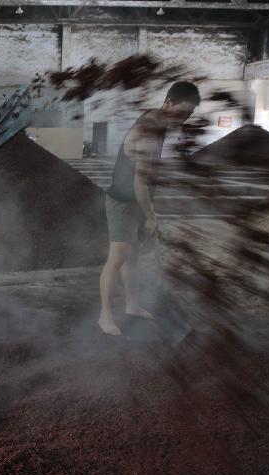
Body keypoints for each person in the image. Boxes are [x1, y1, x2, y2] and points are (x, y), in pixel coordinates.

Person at [98, 81, 201, 336]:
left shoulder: (160, 122)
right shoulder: (147, 132)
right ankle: (105, 316)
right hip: (123, 201)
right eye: (181, 113)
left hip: (138, 199)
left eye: (188, 116)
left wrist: (149, 208)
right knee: (118, 256)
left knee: (133, 256)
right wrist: (152, 216)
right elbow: (139, 182)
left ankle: (132, 304)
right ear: (168, 103)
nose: (183, 120)